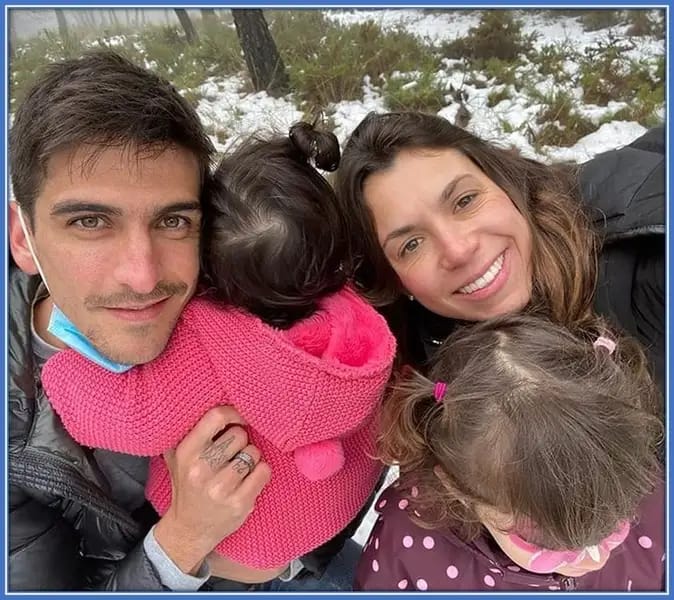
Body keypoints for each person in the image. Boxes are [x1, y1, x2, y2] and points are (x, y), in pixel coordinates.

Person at [6, 51, 362, 592]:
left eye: (173, 221)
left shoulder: (237, 284)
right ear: (22, 238)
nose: (143, 277)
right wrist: (187, 540)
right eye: (90, 221)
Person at [335, 113, 665, 398]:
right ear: (393, 280)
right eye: (411, 245)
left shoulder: (649, 259)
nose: (458, 250)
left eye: (464, 201)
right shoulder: (430, 371)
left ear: (501, 177)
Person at [355, 314, 664, 591]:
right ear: (457, 488)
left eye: (615, 524)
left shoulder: (643, 485)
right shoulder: (410, 547)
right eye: (546, 543)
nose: (594, 558)